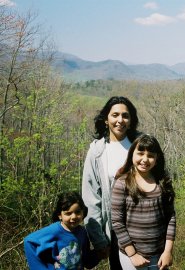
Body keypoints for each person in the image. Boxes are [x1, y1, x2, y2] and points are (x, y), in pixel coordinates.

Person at [82, 96, 141, 270]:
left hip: (145, 225)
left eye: (125, 116)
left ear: (131, 121)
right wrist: (99, 239)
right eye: (115, 115)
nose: (120, 120)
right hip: (116, 231)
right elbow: (91, 198)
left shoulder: (141, 146)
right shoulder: (97, 152)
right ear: (106, 119)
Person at [111, 134, 176, 270]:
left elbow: (171, 217)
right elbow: (117, 222)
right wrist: (133, 254)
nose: (145, 159)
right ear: (132, 154)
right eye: (140, 153)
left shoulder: (162, 183)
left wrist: (168, 251)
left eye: (151, 155)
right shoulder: (122, 183)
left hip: (159, 256)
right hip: (131, 257)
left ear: (157, 158)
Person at [24, 191, 100, 269]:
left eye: (78, 212)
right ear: (60, 215)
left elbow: (86, 260)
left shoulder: (82, 232)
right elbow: (28, 241)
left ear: (83, 212)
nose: (73, 217)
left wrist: (100, 254)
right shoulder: (54, 231)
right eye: (68, 213)